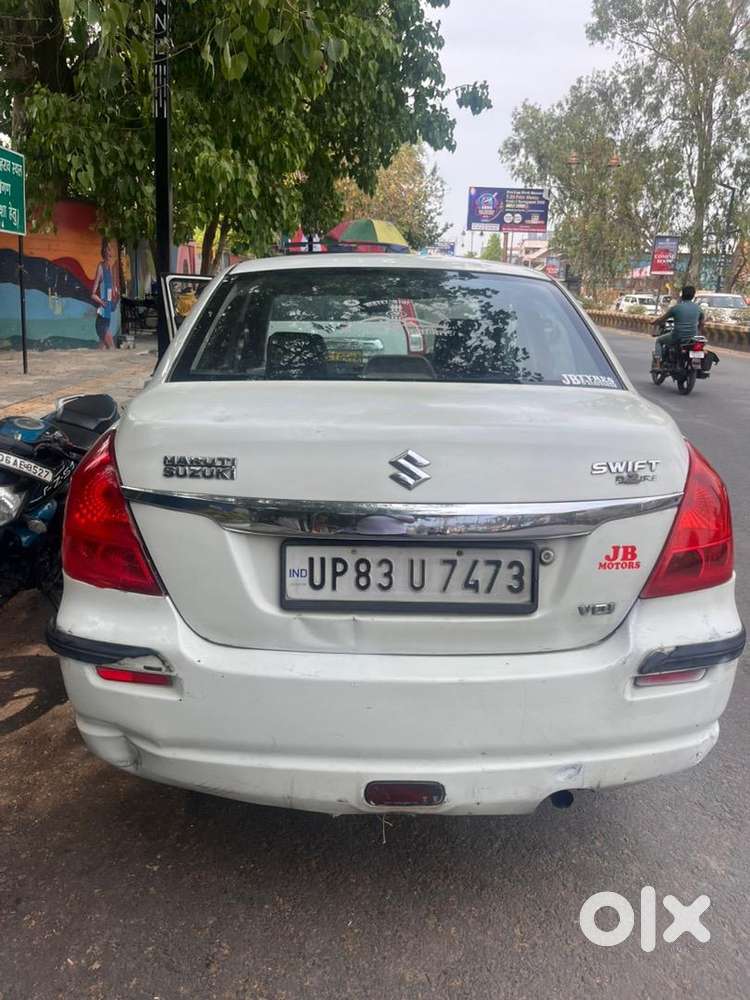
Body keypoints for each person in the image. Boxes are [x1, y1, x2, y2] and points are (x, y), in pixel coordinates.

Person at [650, 284, 704, 362]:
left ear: (682, 295)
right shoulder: (698, 308)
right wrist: (699, 333)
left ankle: (657, 363)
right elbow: (702, 323)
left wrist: (653, 322)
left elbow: (662, 319)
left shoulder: (676, 308)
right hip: (692, 337)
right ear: (693, 296)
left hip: (677, 336)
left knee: (659, 340)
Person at [91, 238, 120, 349]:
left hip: (108, 317)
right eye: (107, 249)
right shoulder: (101, 267)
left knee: (102, 350)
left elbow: (111, 295)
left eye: (110, 249)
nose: (109, 252)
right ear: (103, 251)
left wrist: (115, 295)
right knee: (112, 347)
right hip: (102, 317)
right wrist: (101, 302)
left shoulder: (110, 269)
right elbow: (93, 294)